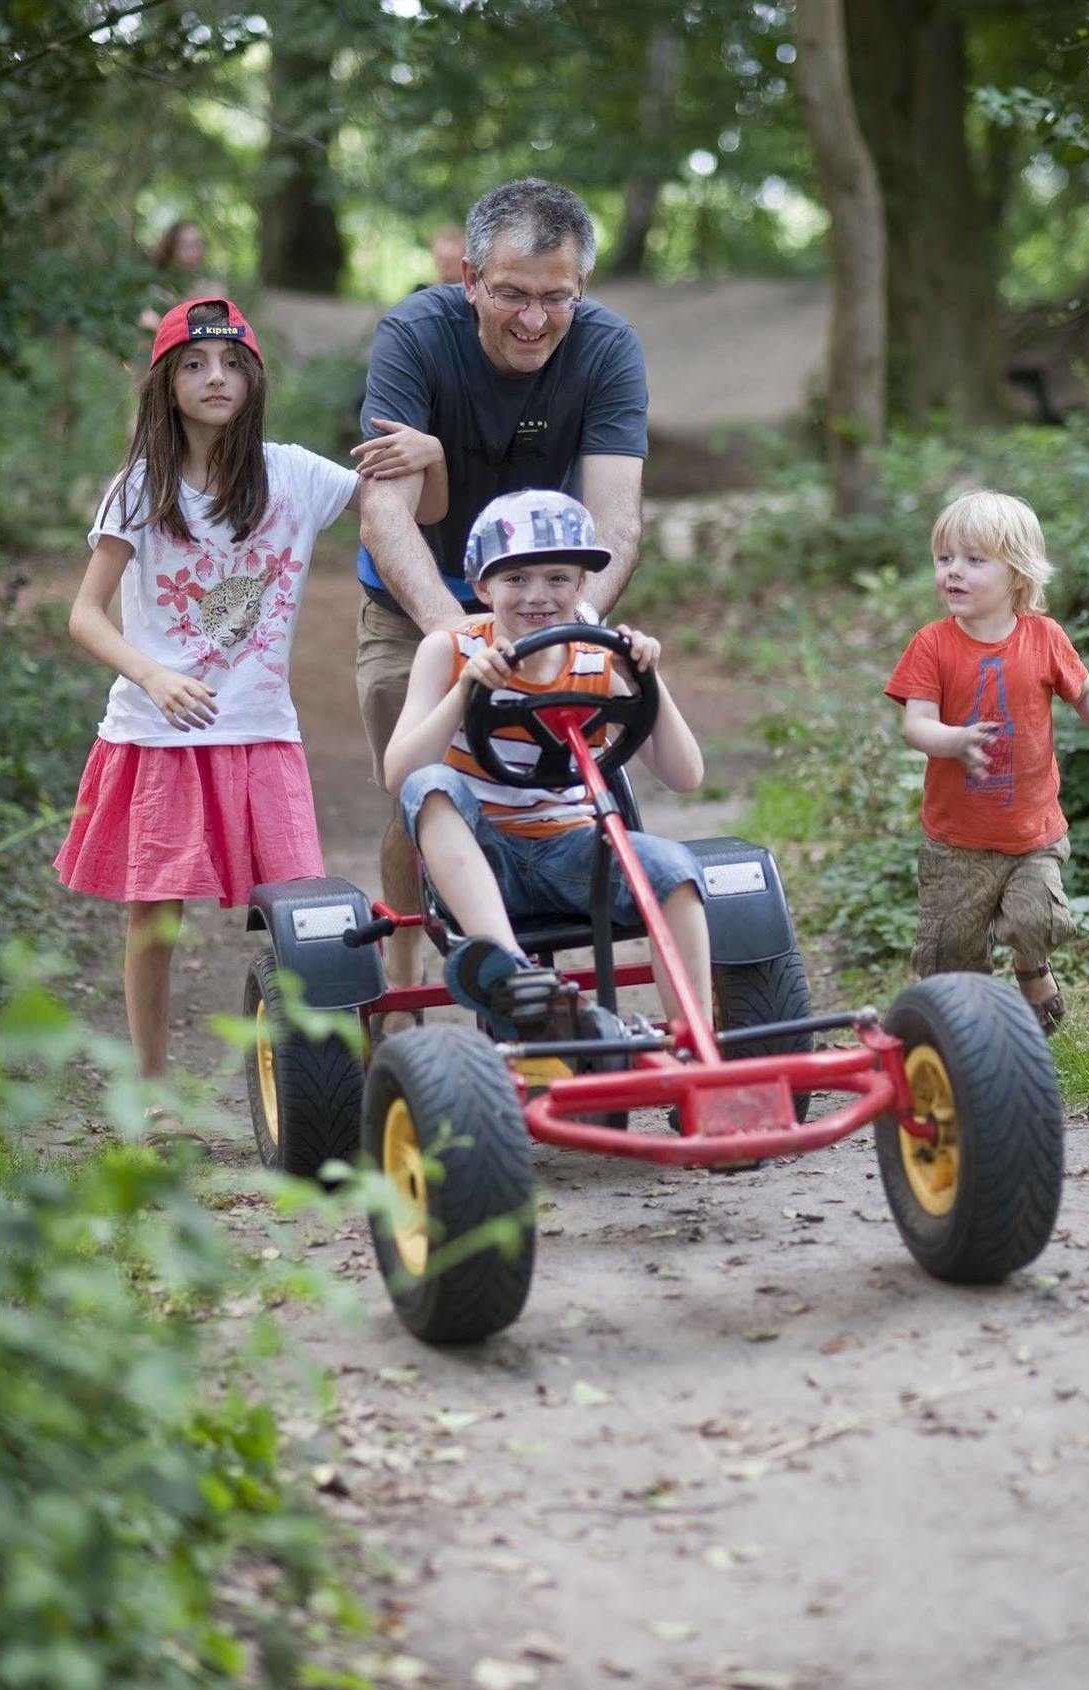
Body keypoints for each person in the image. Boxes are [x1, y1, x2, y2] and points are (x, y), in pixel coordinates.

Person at [54, 296, 446, 1145]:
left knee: (313, 919)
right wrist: (152, 673)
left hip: (264, 732)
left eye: (231, 364)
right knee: (154, 918)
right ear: (167, 383)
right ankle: (153, 1096)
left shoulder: (295, 474)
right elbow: (85, 615)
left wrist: (433, 455)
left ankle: (334, 1090)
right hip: (162, 736)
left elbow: (415, 512)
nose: (215, 379)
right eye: (194, 365)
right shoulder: (141, 488)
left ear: (254, 377)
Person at [350, 177, 649, 1015]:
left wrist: (574, 627)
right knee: (419, 787)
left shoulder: (608, 350)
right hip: (418, 601)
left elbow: (617, 521)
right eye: (511, 293)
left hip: (543, 598)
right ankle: (406, 988)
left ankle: (542, 968)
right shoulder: (414, 335)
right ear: (470, 280)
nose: (532, 318)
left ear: (581, 291)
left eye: (555, 298)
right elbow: (383, 508)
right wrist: (459, 639)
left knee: (555, 778)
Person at [382, 489, 711, 1034]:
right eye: (516, 580)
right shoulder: (449, 650)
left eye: (558, 578)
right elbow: (401, 777)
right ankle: (510, 971)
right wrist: (463, 691)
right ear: (483, 587)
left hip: (574, 851)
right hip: (481, 856)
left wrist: (645, 682)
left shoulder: (602, 659)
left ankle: (693, 1046)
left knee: (677, 872)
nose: (538, 595)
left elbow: (685, 776)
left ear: (583, 586)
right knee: (432, 783)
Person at [885, 490, 1089, 1033]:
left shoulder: (1043, 638)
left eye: (974, 560)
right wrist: (953, 741)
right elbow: (916, 725)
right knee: (949, 956)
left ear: (1017, 573)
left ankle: (1032, 971)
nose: (953, 572)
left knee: (1038, 919)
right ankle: (972, 1035)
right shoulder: (931, 645)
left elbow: (1087, 692)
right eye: (944, 558)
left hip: (1032, 834)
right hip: (956, 842)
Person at [138, 220, 222, 333]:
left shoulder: (213, 290)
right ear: (171, 250)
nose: (193, 253)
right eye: (186, 246)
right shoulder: (158, 292)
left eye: (197, 245)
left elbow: (223, 333)